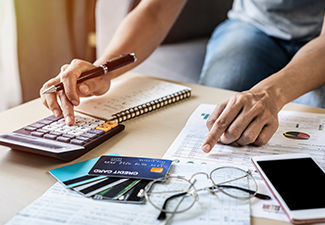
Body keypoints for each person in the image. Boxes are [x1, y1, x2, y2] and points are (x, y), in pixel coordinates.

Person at [40, 0, 325, 154]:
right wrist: (104, 69)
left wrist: (271, 93)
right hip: (252, 27)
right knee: (220, 114)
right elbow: (156, 10)